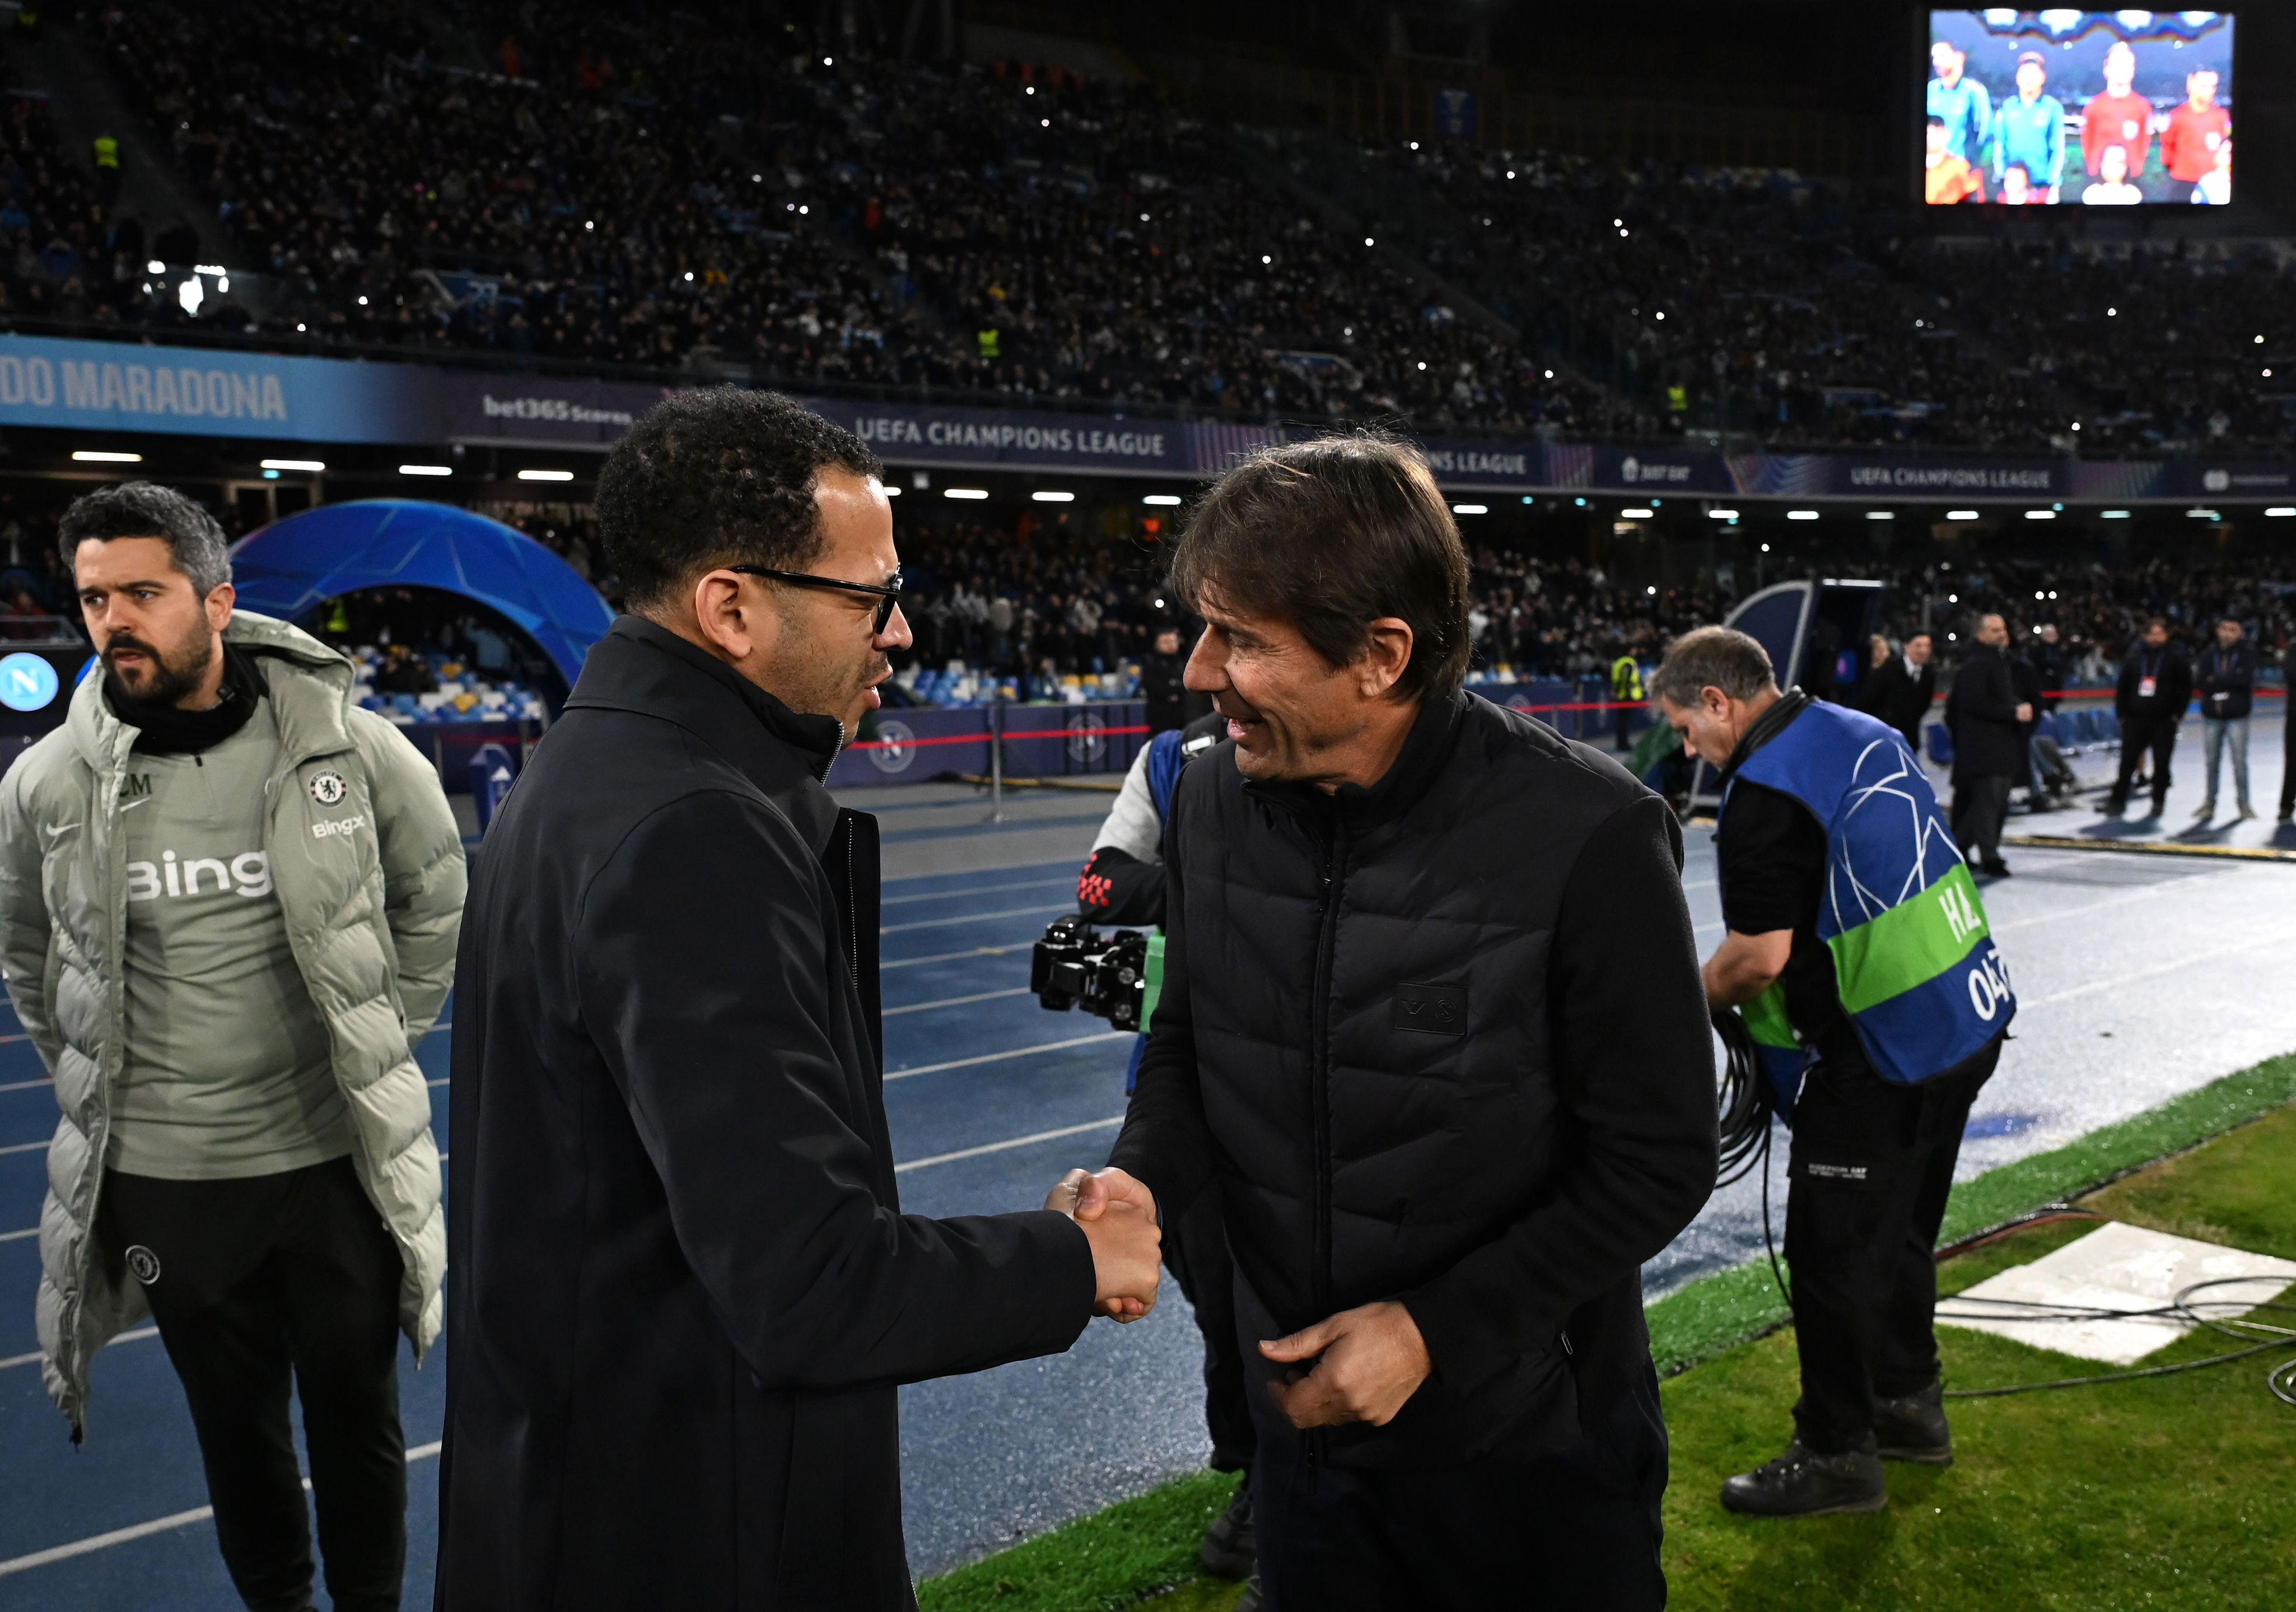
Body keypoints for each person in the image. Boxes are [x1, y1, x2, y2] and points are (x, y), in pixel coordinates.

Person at [435, 388, 1163, 1608]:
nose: (900, 632)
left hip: (594, 1484)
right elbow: (808, 1284)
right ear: (731, 606)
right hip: (687, 1526)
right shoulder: (693, 826)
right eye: (869, 595)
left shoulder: (602, 766)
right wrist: (1072, 1258)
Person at [1107, 435, 1718, 1609]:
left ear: (1381, 656)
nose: (1196, 670)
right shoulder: (1207, 807)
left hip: (1529, 1458)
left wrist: (1436, 1329)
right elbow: (1186, 1043)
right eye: (1201, 626)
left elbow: (1658, 1155)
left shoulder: (1589, 836)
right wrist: (1141, 1175)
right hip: (1307, 1457)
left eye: (1240, 637)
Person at [0, 482, 465, 1612]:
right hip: (172, 1182)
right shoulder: (49, 780)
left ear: (216, 600)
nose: (114, 620)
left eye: (143, 594)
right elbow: (26, 947)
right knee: (235, 1428)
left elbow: (436, 891)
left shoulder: (349, 750)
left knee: (359, 1420)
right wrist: (103, 1068)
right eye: (95, 596)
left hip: (328, 1162)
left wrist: (377, 1032)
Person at [1654, 626, 2009, 1518]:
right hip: (1964, 1016)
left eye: (1687, 729)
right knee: (1901, 1233)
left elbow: (1759, 957)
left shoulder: (1765, 791)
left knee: (1831, 1256)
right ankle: (1907, 1405)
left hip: (1878, 1054)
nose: (1688, 750)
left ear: (1718, 702)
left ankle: (1838, 1451)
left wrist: (1680, 1001)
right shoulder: (1859, 729)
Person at [1072, 706, 1258, 1600]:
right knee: (1212, 1289)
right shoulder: (1169, 758)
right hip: (1178, 1070)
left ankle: (1281, 1480)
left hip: (1307, 1079)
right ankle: (1256, 1452)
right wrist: (1212, 886)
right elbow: (1100, 886)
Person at [1945, 614, 2029, 877]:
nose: (2002, 634)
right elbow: (1974, 704)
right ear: (1980, 634)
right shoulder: (1978, 665)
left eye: (2003, 629)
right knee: (1987, 805)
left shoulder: (1997, 662)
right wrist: (2013, 713)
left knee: (1987, 805)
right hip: (1984, 749)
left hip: (1998, 748)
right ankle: (1988, 856)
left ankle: (1956, 849)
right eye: (1995, 630)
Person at [2105, 617, 2191, 821]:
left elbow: (2185, 689)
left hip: (2163, 721)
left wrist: (2177, 715)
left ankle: (2158, 802)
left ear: (2167, 636)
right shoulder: (2134, 659)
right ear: (2145, 636)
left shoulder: (2176, 660)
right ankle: (2118, 802)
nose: (2156, 638)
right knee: (2127, 762)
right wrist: (2122, 715)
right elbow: (2123, 688)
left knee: (2162, 764)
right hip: (2135, 720)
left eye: (2160, 633)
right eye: (2152, 633)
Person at [2193, 616, 2257, 822]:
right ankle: (2209, 803)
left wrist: (2217, 680)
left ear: (2240, 633)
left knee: (2239, 762)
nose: (2228, 633)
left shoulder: (2247, 654)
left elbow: (2244, 680)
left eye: (2233, 630)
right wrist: (2228, 681)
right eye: (2225, 629)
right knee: (2212, 762)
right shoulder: (2208, 654)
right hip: (2212, 715)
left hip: (2237, 716)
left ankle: (2244, 804)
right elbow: (2201, 682)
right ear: (2218, 631)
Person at [1994, 53, 2067, 202]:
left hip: (2041, 184)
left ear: (2043, 77)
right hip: (2013, 184)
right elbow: (1999, 143)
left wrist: (2053, 182)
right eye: (2024, 73)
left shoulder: (2052, 108)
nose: (2028, 78)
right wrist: (2001, 175)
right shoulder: (2007, 107)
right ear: (2017, 77)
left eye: (2034, 73)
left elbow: (2058, 147)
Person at [2080, 40, 2154, 184]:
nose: (2124, 69)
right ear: (2106, 69)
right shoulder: (2093, 106)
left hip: (2131, 180)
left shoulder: (2142, 106)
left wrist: (2135, 169)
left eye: (2129, 65)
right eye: (2118, 64)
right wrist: (2095, 170)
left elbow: (2144, 143)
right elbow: (2086, 143)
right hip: (2099, 179)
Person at [1863, 631, 1935, 757]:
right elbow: (1869, 700)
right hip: (1884, 738)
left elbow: (1924, 705)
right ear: (1906, 646)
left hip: (1910, 741)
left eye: (1927, 646)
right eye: (1918, 645)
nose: (1923, 650)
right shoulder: (1887, 669)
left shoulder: (1929, 674)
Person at [2160, 68, 2230, 186]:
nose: (2210, 91)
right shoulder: (2177, 116)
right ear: (2191, 86)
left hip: (2212, 182)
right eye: (2204, 86)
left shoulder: (2222, 116)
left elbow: (2226, 146)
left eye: (2213, 86)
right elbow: (2167, 149)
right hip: (2182, 181)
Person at [1926, 40, 1990, 167]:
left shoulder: (1973, 91)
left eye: (1942, 56)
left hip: (1962, 169)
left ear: (1959, 58)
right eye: (1934, 57)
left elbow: (1984, 132)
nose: (1936, 62)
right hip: (1932, 169)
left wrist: (1971, 162)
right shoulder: (1930, 89)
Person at [1923, 115, 1983, 206]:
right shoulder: (1912, 169)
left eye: (1935, 133)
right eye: (1927, 133)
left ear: (1946, 135)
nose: (1930, 138)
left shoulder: (1960, 167)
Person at [1609, 640, 1645, 750]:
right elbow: (1625, 679)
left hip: (1622, 695)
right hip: (1626, 696)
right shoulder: (1628, 663)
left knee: (1622, 721)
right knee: (1624, 722)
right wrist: (1624, 692)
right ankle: (1623, 744)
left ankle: (1622, 743)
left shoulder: (1619, 662)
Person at [2082, 142, 2143, 206]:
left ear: (2127, 166)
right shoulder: (2091, 193)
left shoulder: (2133, 194)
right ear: (2101, 164)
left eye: (2120, 162)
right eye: (2109, 161)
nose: (2114, 166)